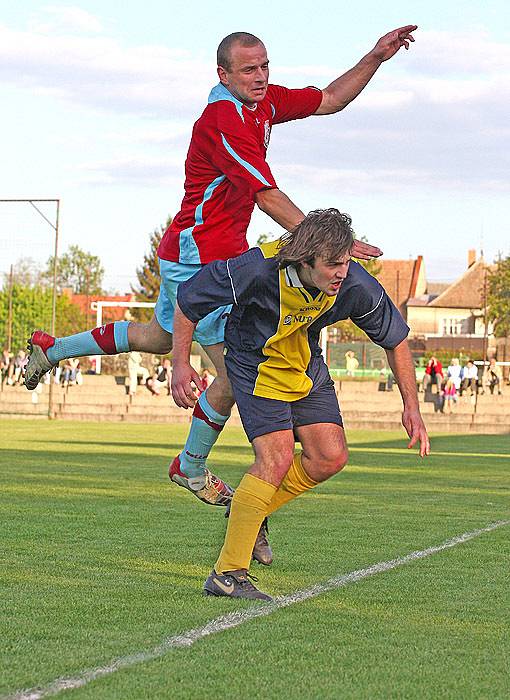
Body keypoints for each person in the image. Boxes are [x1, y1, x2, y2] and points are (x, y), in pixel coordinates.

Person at [24, 26, 417, 508]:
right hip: (200, 252)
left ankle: (53, 348)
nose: (260, 76)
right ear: (223, 74)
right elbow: (266, 195)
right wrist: (327, 241)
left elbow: (332, 98)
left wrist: (376, 56)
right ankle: (189, 467)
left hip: (202, 247)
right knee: (234, 372)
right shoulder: (221, 120)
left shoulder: (263, 102)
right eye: (249, 70)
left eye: (265, 66)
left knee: (161, 337)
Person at [171, 208, 430, 600]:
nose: (342, 272)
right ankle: (227, 574)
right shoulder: (257, 269)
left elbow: (395, 340)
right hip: (254, 362)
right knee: (274, 460)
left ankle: (250, 508)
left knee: (330, 457)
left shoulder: (354, 283)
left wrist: (411, 405)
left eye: (345, 262)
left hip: (305, 363)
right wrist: (179, 364)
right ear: (305, 259)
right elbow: (188, 301)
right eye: (332, 265)